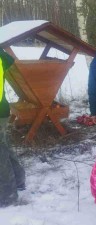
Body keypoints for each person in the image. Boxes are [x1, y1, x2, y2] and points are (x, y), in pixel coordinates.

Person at [0, 48, 26, 207]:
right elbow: (9, 60)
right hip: (2, 110)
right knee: (4, 147)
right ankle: (19, 180)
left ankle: (7, 195)